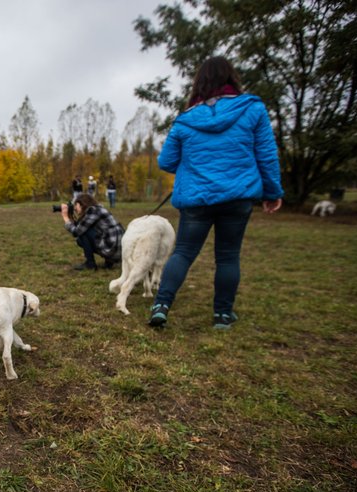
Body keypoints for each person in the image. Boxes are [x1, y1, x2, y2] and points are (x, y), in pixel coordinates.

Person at [148, 56, 283, 330]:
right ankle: (222, 314)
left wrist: (192, 160)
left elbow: (166, 161)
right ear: (231, 79)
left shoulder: (186, 120)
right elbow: (266, 155)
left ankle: (161, 304)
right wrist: (272, 191)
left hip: (197, 198)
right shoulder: (253, 109)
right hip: (238, 196)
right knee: (228, 255)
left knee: (184, 252)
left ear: (200, 83)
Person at [60, 193, 124, 270]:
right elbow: (81, 226)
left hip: (113, 249)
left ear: (81, 204)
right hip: (119, 250)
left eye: (75, 205)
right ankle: (109, 261)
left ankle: (90, 264)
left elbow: (77, 232)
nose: (75, 208)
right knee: (84, 235)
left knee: (83, 235)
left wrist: (65, 217)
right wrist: (71, 217)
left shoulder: (92, 211)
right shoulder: (97, 209)